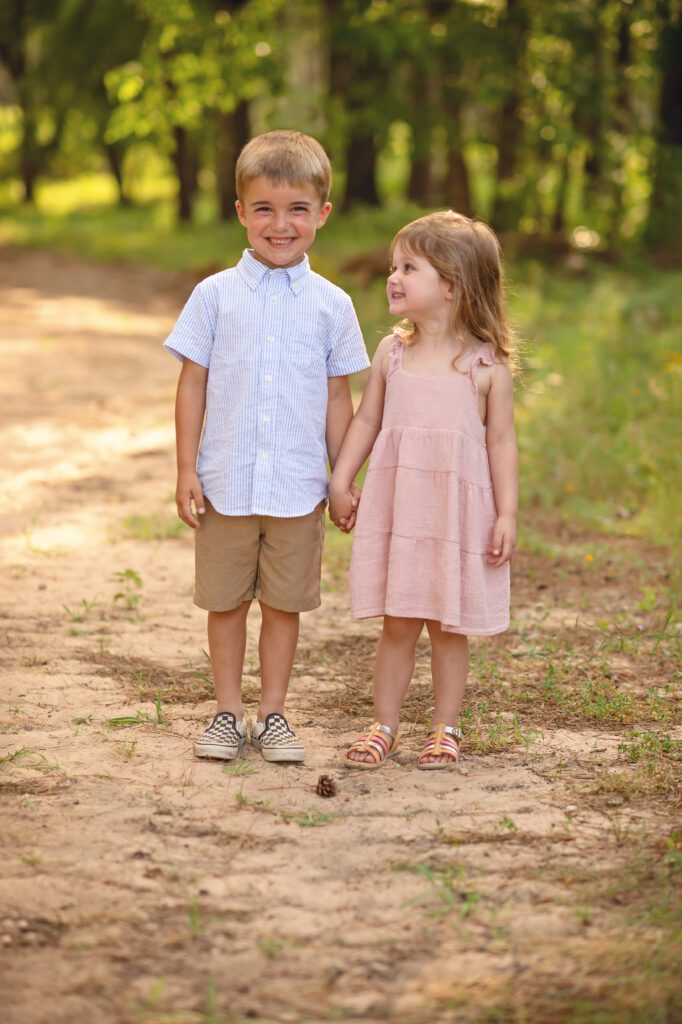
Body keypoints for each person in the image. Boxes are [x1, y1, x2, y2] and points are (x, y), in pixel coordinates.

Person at [164, 130, 369, 764]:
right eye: (264, 209)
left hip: (298, 489)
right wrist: (186, 469)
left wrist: (341, 479)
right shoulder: (214, 295)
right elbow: (191, 384)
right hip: (225, 483)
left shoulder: (333, 305)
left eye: (297, 209)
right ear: (240, 212)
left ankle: (273, 713)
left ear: (322, 213)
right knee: (225, 603)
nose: (281, 225)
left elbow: (338, 398)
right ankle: (228, 713)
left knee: (284, 605)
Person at [329, 211, 518, 770]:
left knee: (448, 627)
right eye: (394, 266)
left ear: (452, 285)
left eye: (409, 268)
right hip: (402, 511)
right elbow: (367, 421)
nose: (393, 277)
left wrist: (506, 513)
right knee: (398, 623)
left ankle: (445, 729)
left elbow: (501, 443)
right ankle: (383, 726)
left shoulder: (486, 367)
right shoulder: (393, 354)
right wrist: (342, 478)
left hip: (456, 515)